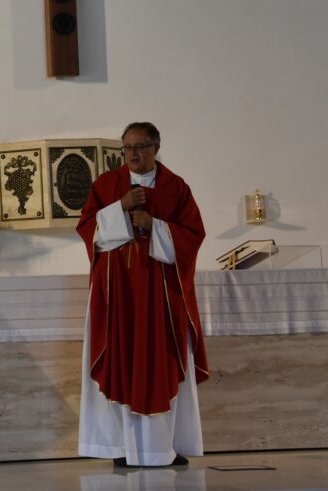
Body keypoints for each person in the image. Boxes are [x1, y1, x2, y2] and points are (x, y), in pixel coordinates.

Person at [75, 122, 208, 468]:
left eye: (141, 146)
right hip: (118, 296)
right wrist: (119, 206)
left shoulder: (176, 188)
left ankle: (167, 446)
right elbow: (88, 230)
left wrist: (155, 226)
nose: (133, 153)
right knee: (122, 364)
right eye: (127, 147)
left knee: (162, 363)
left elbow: (193, 236)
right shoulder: (107, 186)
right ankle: (122, 447)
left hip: (161, 299)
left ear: (156, 147)